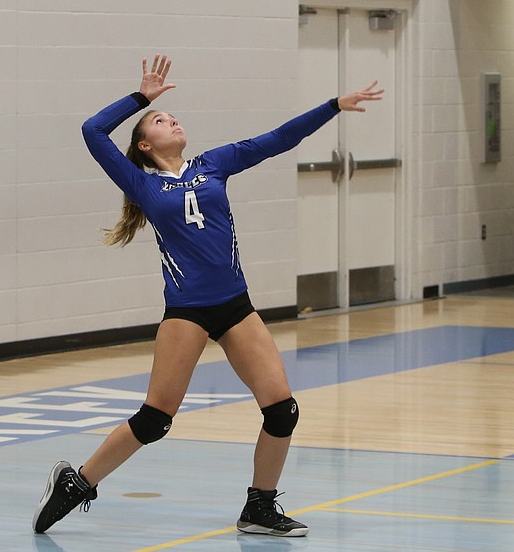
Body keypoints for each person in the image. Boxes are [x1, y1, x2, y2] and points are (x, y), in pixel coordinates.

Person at [32, 54, 384, 538]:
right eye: (159, 120)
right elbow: (93, 131)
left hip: (236, 305)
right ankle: (77, 483)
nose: (171, 119)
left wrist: (333, 106)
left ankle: (259, 507)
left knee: (282, 409)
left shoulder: (213, 164)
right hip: (187, 311)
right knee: (156, 419)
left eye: (171, 116)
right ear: (143, 143)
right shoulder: (140, 181)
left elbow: (279, 139)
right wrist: (141, 98)